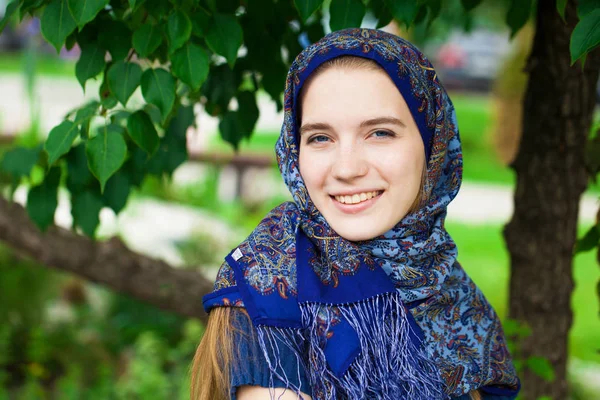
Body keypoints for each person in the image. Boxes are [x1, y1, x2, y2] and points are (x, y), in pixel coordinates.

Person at [191, 28, 521, 400]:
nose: (346, 168)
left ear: (432, 148)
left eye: (380, 133)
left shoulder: (449, 286)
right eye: (320, 138)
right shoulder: (267, 292)